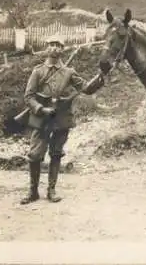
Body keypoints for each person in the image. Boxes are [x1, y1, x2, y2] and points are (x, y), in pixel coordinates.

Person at [20, 34, 103, 205]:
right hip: (42, 118)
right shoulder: (38, 71)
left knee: (56, 154)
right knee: (35, 155)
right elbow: (28, 97)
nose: (55, 48)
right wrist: (41, 109)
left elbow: (86, 88)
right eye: (52, 44)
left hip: (60, 118)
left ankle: (51, 190)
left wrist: (100, 76)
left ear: (63, 49)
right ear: (47, 47)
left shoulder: (69, 72)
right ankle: (33, 190)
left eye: (59, 45)